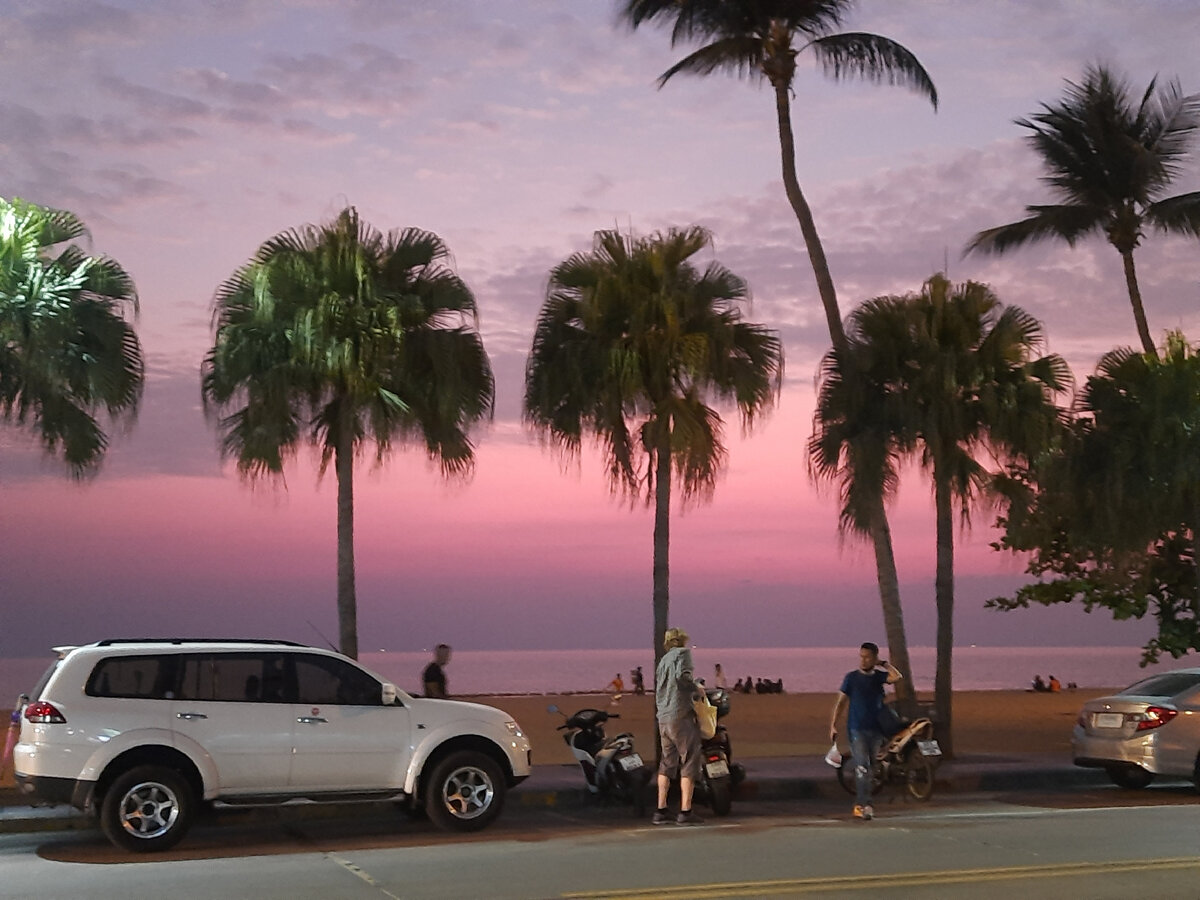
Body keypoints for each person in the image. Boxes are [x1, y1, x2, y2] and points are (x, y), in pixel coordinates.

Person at [830, 642, 902, 822]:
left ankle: (865, 803)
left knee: (870, 770)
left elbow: (897, 676)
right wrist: (833, 724)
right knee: (862, 767)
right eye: (861, 656)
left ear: (874, 658)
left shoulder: (878, 677)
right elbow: (841, 702)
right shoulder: (851, 678)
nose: (863, 660)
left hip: (876, 730)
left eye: (867, 657)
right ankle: (862, 805)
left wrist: (883, 664)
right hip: (857, 729)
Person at [653, 627, 703, 826]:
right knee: (690, 759)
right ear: (682, 641)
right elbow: (682, 677)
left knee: (667, 762)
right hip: (680, 715)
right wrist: (696, 687)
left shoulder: (663, 661)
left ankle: (661, 809)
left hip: (663, 716)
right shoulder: (683, 654)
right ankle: (685, 810)